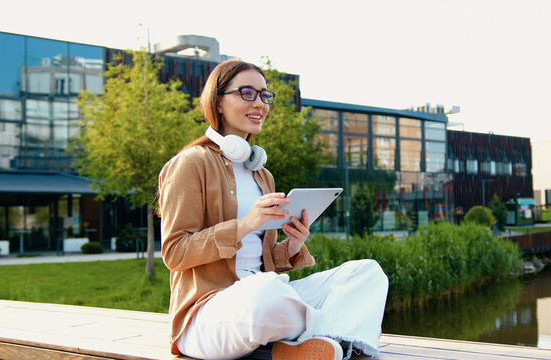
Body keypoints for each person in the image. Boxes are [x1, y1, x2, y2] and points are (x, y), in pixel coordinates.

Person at [157, 59, 388, 360]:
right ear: (218, 102)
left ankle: (316, 346)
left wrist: (292, 245)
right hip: (209, 313)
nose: (261, 104)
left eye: (265, 95)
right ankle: (334, 333)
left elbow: (261, 263)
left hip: (263, 294)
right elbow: (175, 252)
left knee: (366, 273)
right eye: (248, 93)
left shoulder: (261, 174)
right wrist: (246, 224)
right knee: (267, 293)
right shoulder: (190, 164)